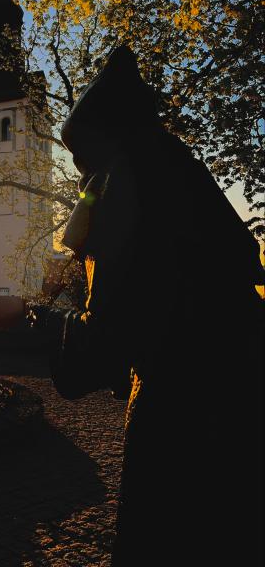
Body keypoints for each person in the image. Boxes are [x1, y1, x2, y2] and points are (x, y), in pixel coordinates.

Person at [47, 45, 263, 566]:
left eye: (82, 158)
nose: (80, 175)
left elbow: (104, 343)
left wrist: (58, 328)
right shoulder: (178, 170)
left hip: (183, 410)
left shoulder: (126, 181)